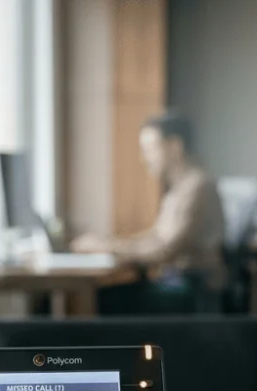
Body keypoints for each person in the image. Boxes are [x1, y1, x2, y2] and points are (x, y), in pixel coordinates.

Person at [72, 111, 225, 313]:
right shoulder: (178, 189)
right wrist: (110, 243)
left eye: (150, 149)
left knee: (102, 300)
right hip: (177, 281)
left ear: (174, 146)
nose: (145, 159)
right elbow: (156, 238)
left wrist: (107, 248)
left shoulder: (197, 187)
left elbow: (164, 250)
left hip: (193, 288)